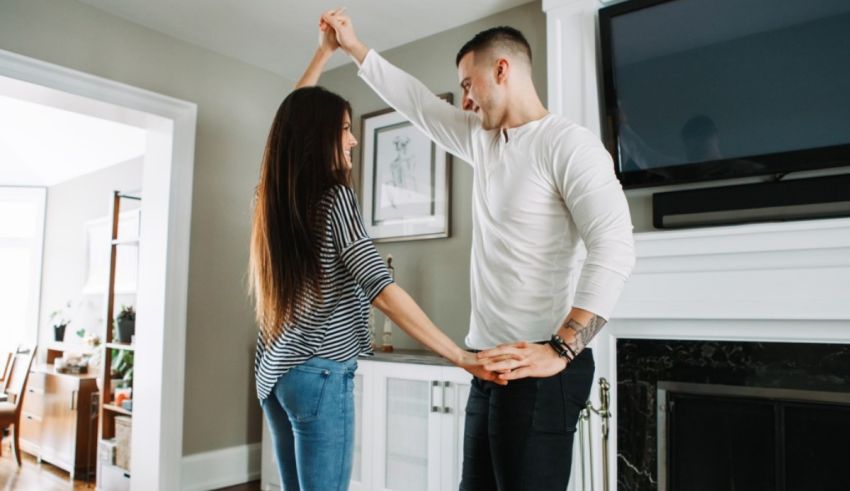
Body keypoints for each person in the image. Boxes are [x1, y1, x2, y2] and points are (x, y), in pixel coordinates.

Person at [320, 11, 636, 490]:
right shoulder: (481, 139)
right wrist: (354, 46)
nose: (464, 98)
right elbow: (417, 103)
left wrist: (562, 349)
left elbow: (614, 248)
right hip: (486, 366)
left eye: (468, 83)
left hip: (540, 372)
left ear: (502, 70)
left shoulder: (569, 145)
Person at [249, 17, 502, 491]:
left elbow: (285, 129)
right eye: (345, 128)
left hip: (275, 371)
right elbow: (379, 288)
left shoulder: (271, 199)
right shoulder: (335, 198)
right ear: (319, 136)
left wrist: (324, 54)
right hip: (321, 371)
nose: (353, 138)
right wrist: (459, 356)